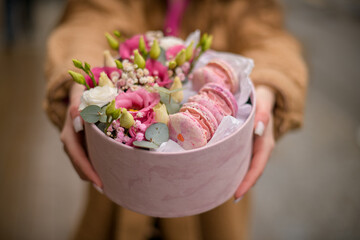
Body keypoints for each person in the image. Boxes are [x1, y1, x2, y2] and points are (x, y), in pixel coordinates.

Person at [44, 0, 308, 239]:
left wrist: (269, 85)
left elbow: (268, 36)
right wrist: (82, 84)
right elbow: (88, 19)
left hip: (212, 189)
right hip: (119, 184)